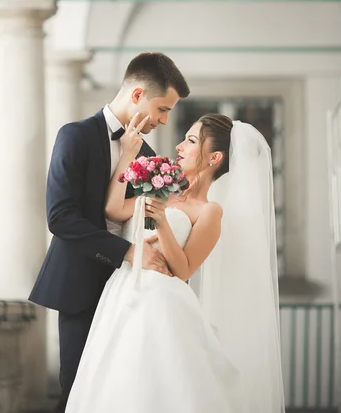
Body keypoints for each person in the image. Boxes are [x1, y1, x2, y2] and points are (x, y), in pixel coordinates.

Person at [65, 114, 285, 413]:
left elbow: (183, 271)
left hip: (162, 305)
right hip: (121, 294)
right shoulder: (163, 190)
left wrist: (162, 223)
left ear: (214, 157)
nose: (180, 145)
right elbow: (113, 209)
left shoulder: (210, 211)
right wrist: (128, 155)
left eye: (192, 140)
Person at [28, 52, 190, 413]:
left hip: (134, 293)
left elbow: (135, 215)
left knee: (126, 393)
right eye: (162, 109)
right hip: (81, 285)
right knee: (77, 391)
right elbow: (60, 217)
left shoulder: (147, 154)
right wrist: (128, 253)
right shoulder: (75, 136)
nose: (165, 121)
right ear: (137, 96)